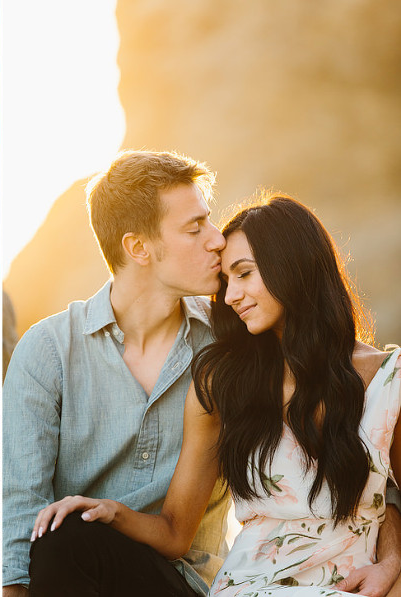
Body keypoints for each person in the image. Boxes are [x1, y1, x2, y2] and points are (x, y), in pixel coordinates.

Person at [32, 195, 401, 596]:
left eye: (244, 273)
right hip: (246, 588)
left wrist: (393, 563)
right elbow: (175, 532)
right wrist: (112, 512)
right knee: (64, 540)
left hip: (348, 585)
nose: (229, 297)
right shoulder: (222, 383)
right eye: (225, 281)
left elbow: (392, 494)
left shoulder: (387, 379)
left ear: (293, 265)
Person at [1, 150, 232, 596]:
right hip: (76, 573)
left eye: (209, 221)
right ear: (138, 248)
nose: (217, 240)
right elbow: (22, 506)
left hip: (186, 584)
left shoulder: (228, 343)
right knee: (61, 537)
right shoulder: (48, 350)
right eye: (194, 228)